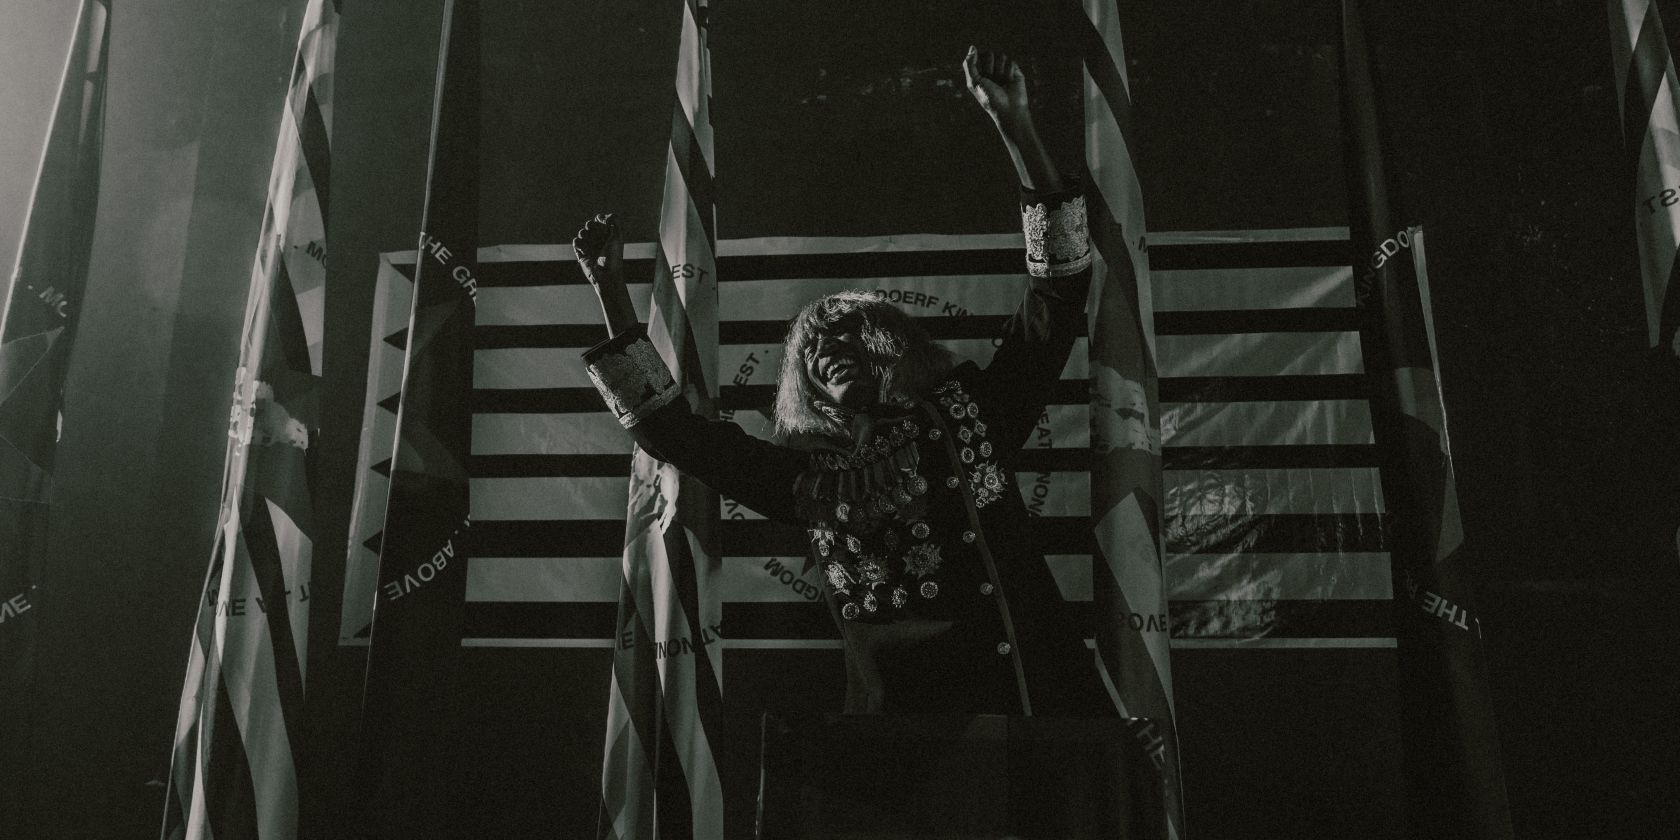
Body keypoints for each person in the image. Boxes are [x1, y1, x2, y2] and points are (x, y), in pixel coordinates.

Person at [574, 47, 1109, 717]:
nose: (832, 348)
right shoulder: (806, 479)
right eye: (814, 346)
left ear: (895, 346)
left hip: (1040, 704)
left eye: (852, 332)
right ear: (804, 384)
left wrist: (1016, 126)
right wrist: (610, 292)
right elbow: (675, 434)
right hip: (907, 741)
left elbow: (1058, 295)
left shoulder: (971, 412)